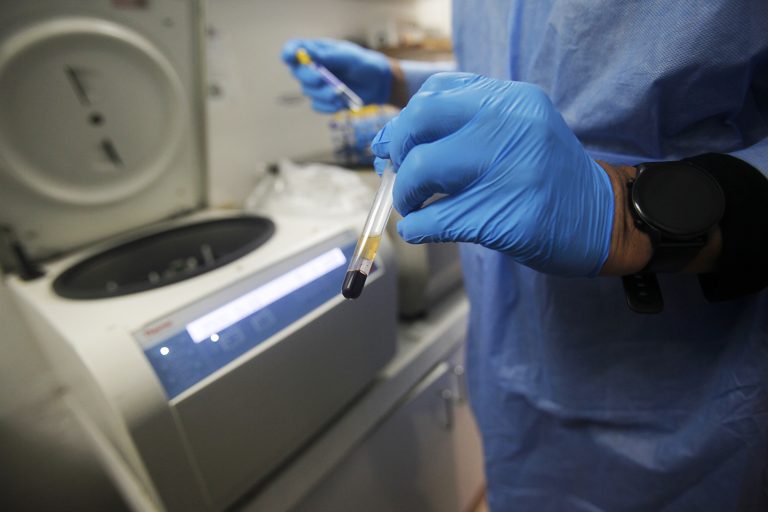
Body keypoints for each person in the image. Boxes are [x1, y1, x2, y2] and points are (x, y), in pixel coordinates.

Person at [282, 2, 768, 510]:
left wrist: (624, 213)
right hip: (510, 380)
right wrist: (397, 80)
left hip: (682, 404)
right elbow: (539, 69)